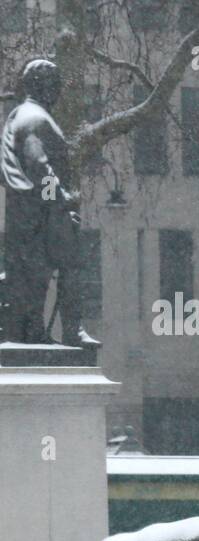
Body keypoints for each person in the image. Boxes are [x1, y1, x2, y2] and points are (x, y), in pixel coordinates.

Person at [0, 57, 93, 347]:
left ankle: (38, 331)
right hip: (41, 213)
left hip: (30, 213)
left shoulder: (24, 115)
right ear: (43, 86)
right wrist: (61, 201)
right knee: (69, 263)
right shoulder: (35, 118)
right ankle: (72, 330)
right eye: (55, 84)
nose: (59, 91)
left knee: (35, 278)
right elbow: (41, 168)